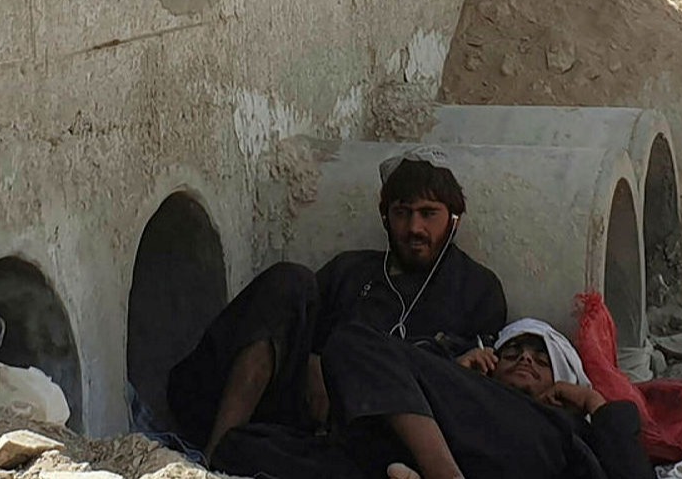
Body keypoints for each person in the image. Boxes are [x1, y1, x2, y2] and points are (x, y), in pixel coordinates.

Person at [164, 158, 509, 462]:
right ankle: (218, 452)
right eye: (402, 213)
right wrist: (315, 360)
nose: (414, 228)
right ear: (386, 217)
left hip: (384, 433)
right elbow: (300, 325)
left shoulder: (477, 289)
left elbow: (480, 382)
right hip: (305, 408)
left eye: (428, 213)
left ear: (454, 220)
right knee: (289, 280)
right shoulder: (350, 270)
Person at [214, 318, 656, 479]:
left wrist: (594, 403)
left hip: (519, 456)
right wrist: (452, 377)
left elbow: (633, 474)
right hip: (418, 454)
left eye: (542, 360)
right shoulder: (467, 386)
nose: (525, 359)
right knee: (244, 448)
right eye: (513, 352)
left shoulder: (562, 428)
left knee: (354, 339)